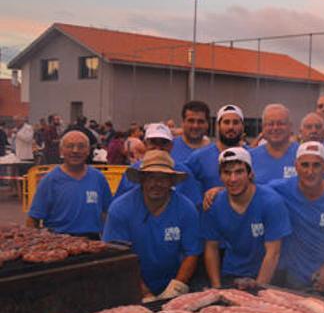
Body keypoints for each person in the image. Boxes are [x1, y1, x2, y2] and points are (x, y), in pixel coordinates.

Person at [103, 150, 202, 301]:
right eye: (151, 177)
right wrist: (145, 293)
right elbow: (117, 258)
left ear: (171, 181)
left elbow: (191, 252)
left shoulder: (186, 209)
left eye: (163, 178)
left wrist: (177, 287)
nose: (156, 184)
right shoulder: (120, 209)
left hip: (172, 281)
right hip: (129, 282)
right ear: (142, 179)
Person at [271, 142, 324, 296]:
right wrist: (219, 190)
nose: (310, 171)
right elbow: (251, 190)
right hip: (296, 274)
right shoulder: (281, 189)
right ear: (296, 166)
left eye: (316, 165)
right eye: (304, 165)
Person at [201, 147, 291, 288]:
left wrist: (258, 291)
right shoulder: (215, 204)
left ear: (250, 174)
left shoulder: (270, 202)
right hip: (232, 272)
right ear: (220, 176)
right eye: (227, 173)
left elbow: (273, 253)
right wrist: (216, 287)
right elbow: (211, 247)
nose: (233, 179)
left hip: (268, 275)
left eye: (239, 172)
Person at [26, 131, 112, 238]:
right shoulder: (50, 180)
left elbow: (107, 213)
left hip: (93, 242)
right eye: (70, 146)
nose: (75, 151)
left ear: (88, 151)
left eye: (81, 146)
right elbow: (33, 219)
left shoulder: (98, 178)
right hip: (58, 242)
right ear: (61, 151)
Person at [114, 123, 201, 206]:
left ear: (171, 146)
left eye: (164, 142)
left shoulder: (183, 172)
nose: (158, 147)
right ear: (145, 144)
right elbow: (118, 205)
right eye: (153, 142)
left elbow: (194, 206)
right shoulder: (132, 171)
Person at [187, 104, 248, 208]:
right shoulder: (198, 158)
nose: (231, 127)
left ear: (242, 126)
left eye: (236, 122)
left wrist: (223, 192)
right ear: (218, 126)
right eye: (226, 122)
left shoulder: (253, 156)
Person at [250, 104, 299, 184]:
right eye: (270, 124)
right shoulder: (250, 157)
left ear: (290, 126)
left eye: (280, 123)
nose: (275, 128)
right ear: (263, 128)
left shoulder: (302, 155)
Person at [171, 100, 212, 165]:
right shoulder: (169, 147)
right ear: (183, 122)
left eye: (200, 121)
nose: (195, 126)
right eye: (191, 121)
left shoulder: (215, 153)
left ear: (207, 124)